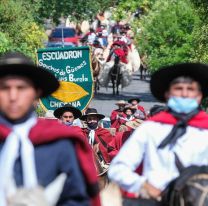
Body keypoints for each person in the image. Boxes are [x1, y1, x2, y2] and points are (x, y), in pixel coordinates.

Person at [0, 51, 101, 206]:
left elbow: (78, 199)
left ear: (36, 92)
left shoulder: (61, 144)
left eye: (21, 88)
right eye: (5, 88)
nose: (13, 96)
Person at [108, 62, 208, 206]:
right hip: (155, 200)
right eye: (178, 89)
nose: (185, 94)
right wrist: (143, 185)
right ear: (167, 94)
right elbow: (118, 168)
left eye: (191, 89)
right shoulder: (150, 128)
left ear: (199, 96)